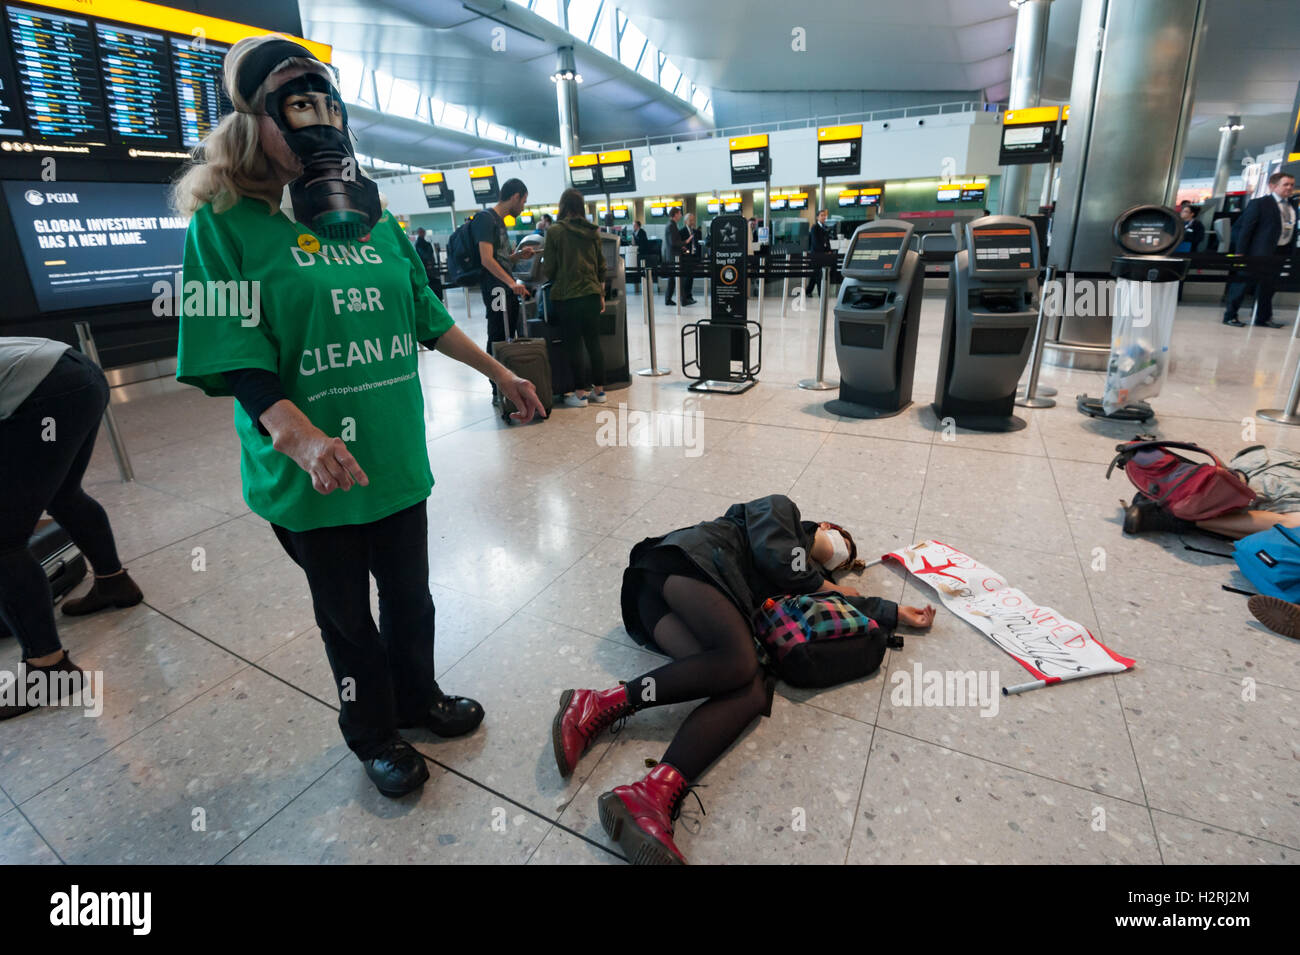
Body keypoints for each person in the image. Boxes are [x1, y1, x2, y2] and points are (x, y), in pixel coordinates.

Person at [171, 35, 546, 798]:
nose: (320, 118)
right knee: (348, 619)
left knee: (413, 598)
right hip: (313, 476)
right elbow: (229, 347)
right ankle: (371, 731)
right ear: (251, 120)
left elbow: (425, 314)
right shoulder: (222, 225)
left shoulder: (374, 218)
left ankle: (419, 698)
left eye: (326, 101)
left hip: (394, 456)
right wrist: (299, 436)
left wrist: (502, 371)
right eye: (296, 102)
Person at [550, 494, 935, 864]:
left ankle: (651, 794)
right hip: (680, 569)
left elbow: (825, 604)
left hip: (673, 611)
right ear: (824, 527)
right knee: (741, 660)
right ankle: (598, 703)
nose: (841, 554)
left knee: (751, 687)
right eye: (842, 542)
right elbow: (779, 555)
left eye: (845, 558)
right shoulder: (781, 510)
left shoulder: (807, 579)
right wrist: (826, 586)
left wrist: (893, 611)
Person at [0, 337, 143, 720]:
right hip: (76, 373)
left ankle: (48, 669)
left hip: (48, 388)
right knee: (63, 492)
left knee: (4, 541)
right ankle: (114, 582)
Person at [544, 187, 608, 408]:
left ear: (562, 207)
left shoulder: (554, 231)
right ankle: (599, 392)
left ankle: (580, 394)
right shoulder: (593, 232)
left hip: (567, 296)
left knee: (574, 345)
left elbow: (549, 269)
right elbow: (602, 266)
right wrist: (601, 293)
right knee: (594, 343)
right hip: (591, 293)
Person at [473, 179, 536, 396]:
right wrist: (511, 283)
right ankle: (496, 386)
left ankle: (510, 380)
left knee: (509, 332)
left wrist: (518, 256)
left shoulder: (500, 222)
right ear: (515, 196)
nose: (523, 207)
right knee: (498, 333)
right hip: (495, 289)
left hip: (505, 288)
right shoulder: (485, 219)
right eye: (524, 201)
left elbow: (501, 259)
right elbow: (486, 259)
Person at [1223, 172, 1296, 328]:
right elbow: (1246, 229)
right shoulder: (1260, 203)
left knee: (1268, 286)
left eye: (1292, 185)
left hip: (1279, 253)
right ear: (1273, 186)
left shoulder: (1292, 206)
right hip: (1256, 254)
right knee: (1242, 284)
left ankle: (1262, 318)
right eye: (1286, 184)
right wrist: (1240, 253)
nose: (1290, 188)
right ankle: (1230, 315)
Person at [662, 207, 687, 307]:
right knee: (677, 278)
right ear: (675, 214)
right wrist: (685, 242)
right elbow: (673, 242)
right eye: (680, 213)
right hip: (674, 257)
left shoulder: (672, 225)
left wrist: (682, 247)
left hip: (673, 255)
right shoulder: (671, 226)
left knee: (672, 279)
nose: (681, 215)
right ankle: (682, 300)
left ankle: (668, 299)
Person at [806, 208, 833, 298]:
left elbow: (827, 241)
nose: (824, 217)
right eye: (822, 215)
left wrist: (829, 250)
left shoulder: (824, 227)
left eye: (825, 215)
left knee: (815, 274)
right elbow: (815, 243)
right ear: (817, 217)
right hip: (816, 255)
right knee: (818, 275)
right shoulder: (814, 228)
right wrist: (824, 252)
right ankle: (821, 294)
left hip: (822, 254)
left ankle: (808, 291)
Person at [679, 213, 701, 306]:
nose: (692, 222)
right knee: (686, 278)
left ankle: (689, 296)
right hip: (685, 257)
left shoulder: (696, 232)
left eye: (693, 220)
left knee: (691, 278)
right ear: (685, 221)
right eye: (690, 220)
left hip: (693, 257)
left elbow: (698, 244)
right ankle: (685, 297)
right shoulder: (682, 232)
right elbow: (681, 244)